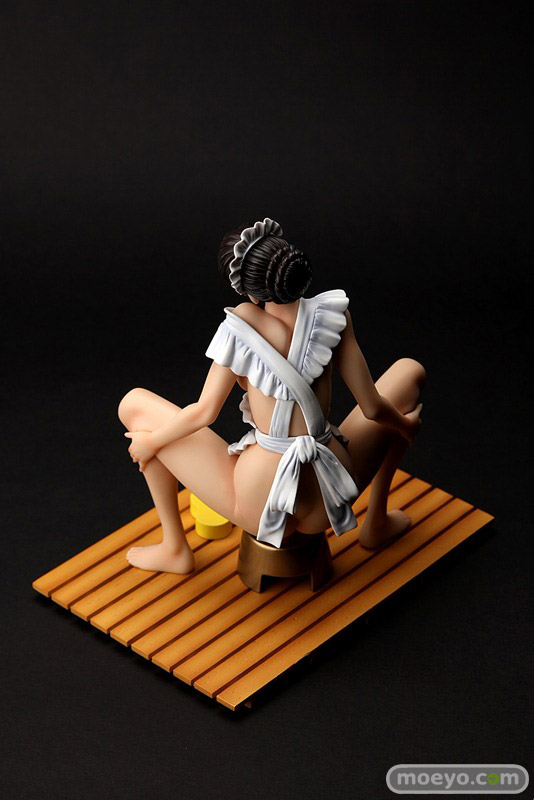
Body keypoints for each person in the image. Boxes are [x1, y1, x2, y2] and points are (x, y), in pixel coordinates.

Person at [119, 218, 425, 574]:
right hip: (332, 492)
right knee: (409, 373)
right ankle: (376, 522)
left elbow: (203, 412)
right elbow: (372, 408)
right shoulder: (335, 315)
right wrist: (405, 426)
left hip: (258, 502)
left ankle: (175, 547)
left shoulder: (238, 330)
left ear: (249, 291)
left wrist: (152, 442)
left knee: (134, 407)